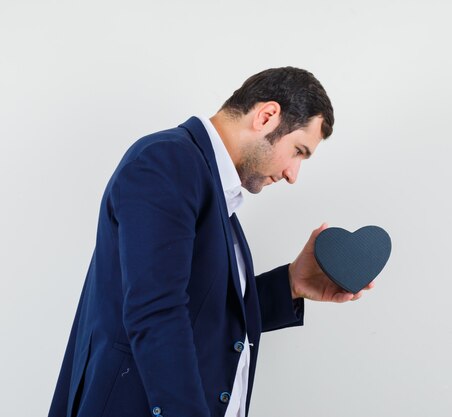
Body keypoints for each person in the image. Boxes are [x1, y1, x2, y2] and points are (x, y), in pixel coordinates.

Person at [48, 67, 373, 417]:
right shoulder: (167, 162)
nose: (292, 175)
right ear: (267, 116)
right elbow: (156, 312)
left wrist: (292, 283)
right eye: (297, 151)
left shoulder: (210, 186)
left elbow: (206, 314)